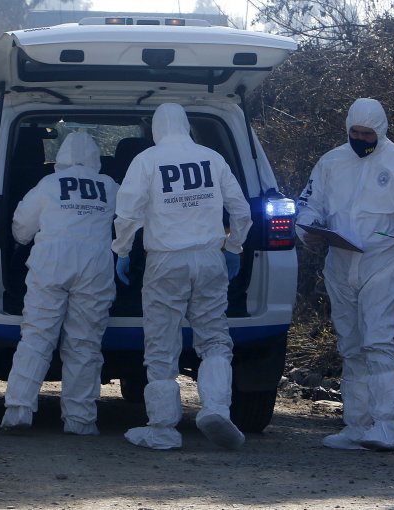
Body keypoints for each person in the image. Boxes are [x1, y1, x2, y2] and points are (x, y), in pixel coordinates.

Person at [296, 98, 394, 452]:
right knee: (350, 343)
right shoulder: (331, 162)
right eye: (355, 132)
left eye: (368, 133)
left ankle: (389, 424)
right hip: (340, 260)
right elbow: (308, 204)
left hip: (385, 260)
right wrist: (308, 230)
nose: (361, 139)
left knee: (377, 338)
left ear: (381, 131)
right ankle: (357, 425)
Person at [113, 103, 252, 451]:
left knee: (161, 345)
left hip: (165, 262)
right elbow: (241, 209)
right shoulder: (212, 158)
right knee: (215, 339)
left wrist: (123, 250)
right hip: (209, 259)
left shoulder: (146, 160)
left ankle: (162, 429)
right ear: (187, 126)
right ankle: (218, 409)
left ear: (157, 128)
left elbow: (128, 213)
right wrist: (234, 247)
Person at [0, 132, 118, 436]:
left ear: (62, 155)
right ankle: (80, 420)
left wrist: (21, 242)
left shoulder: (49, 185)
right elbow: (129, 221)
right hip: (95, 267)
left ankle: (18, 411)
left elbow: (21, 226)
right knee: (84, 344)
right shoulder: (110, 187)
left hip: (51, 265)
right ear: (96, 157)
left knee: (37, 337)